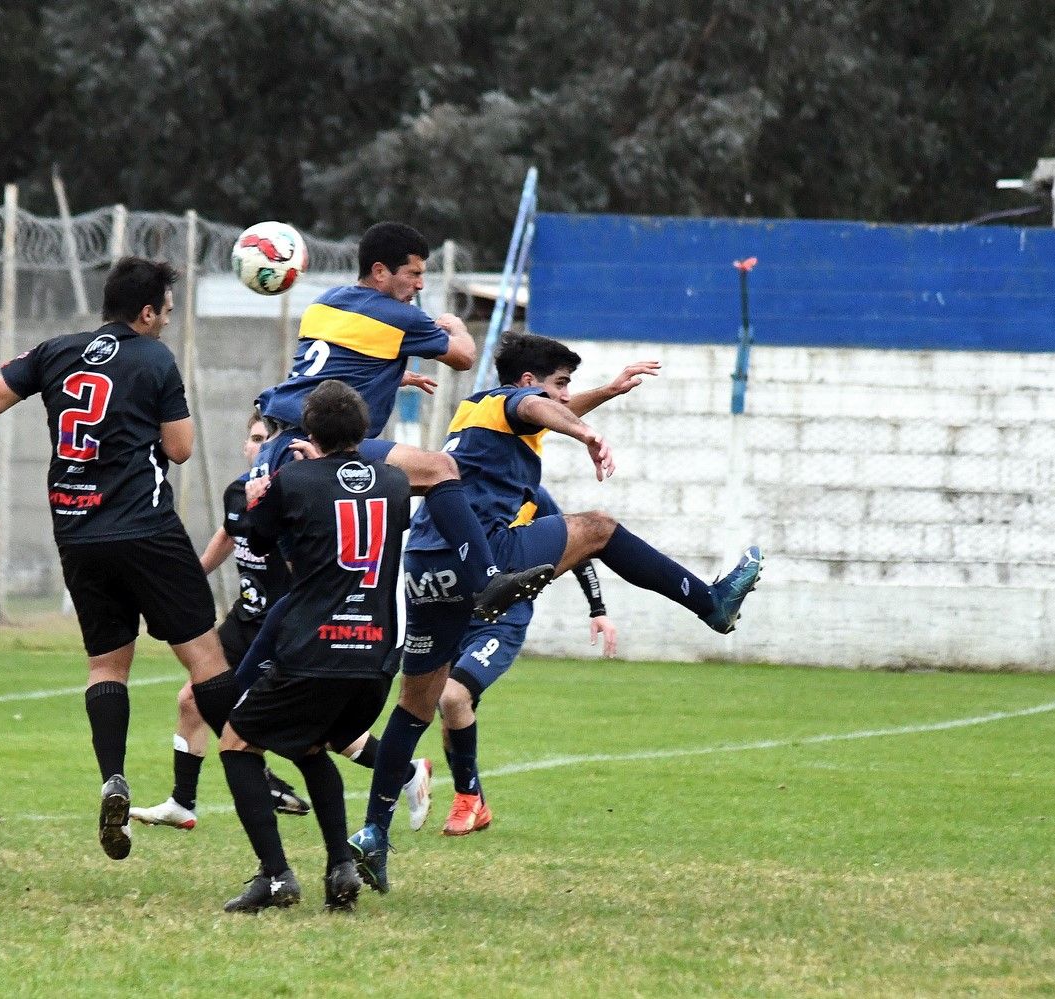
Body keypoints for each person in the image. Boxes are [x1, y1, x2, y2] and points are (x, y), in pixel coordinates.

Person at [348, 332, 764, 892]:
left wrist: (606, 393)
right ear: (528, 381)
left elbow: (545, 410)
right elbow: (536, 407)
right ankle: (710, 602)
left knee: (416, 704)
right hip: (483, 555)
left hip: (426, 564)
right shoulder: (512, 402)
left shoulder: (479, 413)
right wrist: (587, 433)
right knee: (600, 528)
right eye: (560, 383)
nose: (565, 396)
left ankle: (374, 833)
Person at [0, 258, 245, 861]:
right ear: (146, 312)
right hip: (147, 530)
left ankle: (113, 779)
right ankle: (249, 760)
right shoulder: (155, 359)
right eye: (165, 312)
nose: (166, 322)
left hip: (78, 532)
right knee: (206, 661)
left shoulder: (56, 351)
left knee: (106, 666)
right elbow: (180, 449)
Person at [251, 220, 553, 623]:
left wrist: (393, 373)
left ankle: (253, 664)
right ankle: (486, 580)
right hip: (321, 448)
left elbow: (331, 368)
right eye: (413, 273)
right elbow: (464, 357)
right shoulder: (398, 316)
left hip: (278, 449)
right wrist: (457, 327)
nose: (420, 285)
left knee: (308, 592)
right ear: (380, 271)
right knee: (441, 469)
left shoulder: (325, 304)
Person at [217, 379, 410, 913]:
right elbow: (349, 502)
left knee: (236, 743)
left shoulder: (294, 479)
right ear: (363, 431)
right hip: (374, 657)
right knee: (310, 746)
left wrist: (264, 491)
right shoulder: (396, 482)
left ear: (309, 432)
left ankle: (277, 875)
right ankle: (340, 867)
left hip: (314, 648)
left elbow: (256, 535)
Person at [129, 411, 309, 830]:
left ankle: (400, 770)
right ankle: (183, 802)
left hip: (281, 626)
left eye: (268, 440)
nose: (260, 448)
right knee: (192, 699)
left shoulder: (294, 496)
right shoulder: (237, 492)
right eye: (255, 439)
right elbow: (228, 534)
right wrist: (188, 580)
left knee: (310, 728)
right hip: (244, 620)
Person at [436, 488, 616, 836]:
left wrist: (598, 608)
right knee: (451, 715)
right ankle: (474, 802)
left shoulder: (529, 494)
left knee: (454, 696)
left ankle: (466, 799)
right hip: (454, 619)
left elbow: (577, 548)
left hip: (502, 623)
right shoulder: (449, 489)